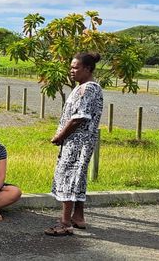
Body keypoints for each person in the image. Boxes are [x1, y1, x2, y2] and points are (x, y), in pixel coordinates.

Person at [45, 52, 104, 236]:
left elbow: (79, 117)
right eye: (71, 67)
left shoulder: (88, 89)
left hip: (77, 143)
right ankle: (78, 217)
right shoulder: (83, 87)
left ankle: (65, 223)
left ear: (87, 69)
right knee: (78, 178)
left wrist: (60, 136)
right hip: (78, 142)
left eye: (76, 67)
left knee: (69, 177)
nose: (71, 71)